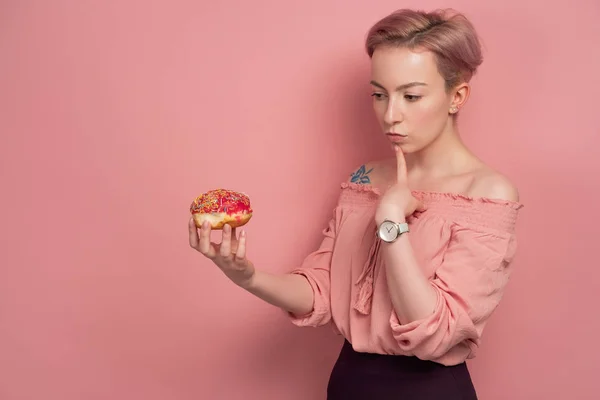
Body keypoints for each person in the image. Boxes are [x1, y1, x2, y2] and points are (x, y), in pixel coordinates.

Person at [188, 7, 523, 400]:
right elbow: (323, 290)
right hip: (349, 382)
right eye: (379, 94)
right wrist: (247, 276)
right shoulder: (365, 177)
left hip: (428, 390)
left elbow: (433, 334)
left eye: (411, 96)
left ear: (457, 96)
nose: (390, 115)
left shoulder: (488, 192)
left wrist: (391, 222)